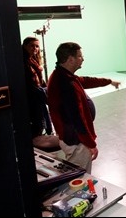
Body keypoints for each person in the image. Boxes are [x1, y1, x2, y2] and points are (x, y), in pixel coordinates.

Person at [47, 42, 121, 174]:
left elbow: (86, 80)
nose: (83, 59)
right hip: (77, 141)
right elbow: (77, 119)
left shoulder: (63, 75)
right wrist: (90, 144)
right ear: (70, 59)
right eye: (80, 56)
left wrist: (109, 81)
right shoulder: (66, 84)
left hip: (73, 137)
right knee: (80, 177)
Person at [22, 36, 53, 138]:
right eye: (32, 46)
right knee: (37, 121)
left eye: (37, 46)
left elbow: (39, 78)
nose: (35, 48)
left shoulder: (33, 59)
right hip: (31, 97)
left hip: (37, 94)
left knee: (41, 120)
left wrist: (46, 88)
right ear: (25, 46)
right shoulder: (22, 61)